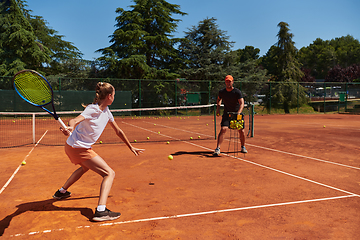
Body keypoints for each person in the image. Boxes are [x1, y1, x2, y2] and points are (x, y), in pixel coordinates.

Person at [52, 82, 144, 222]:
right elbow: (74, 120)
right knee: (109, 173)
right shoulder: (92, 109)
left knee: (84, 168)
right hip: (79, 148)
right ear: (109, 96)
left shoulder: (106, 111)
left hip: (72, 147)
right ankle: (101, 211)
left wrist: (130, 146)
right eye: (114, 95)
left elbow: (118, 131)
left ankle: (61, 192)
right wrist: (70, 127)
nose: (114, 97)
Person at [213, 75, 247, 156]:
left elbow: (242, 103)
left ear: (232, 82)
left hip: (237, 113)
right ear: (225, 82)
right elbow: (218, 99)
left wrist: (239, 112)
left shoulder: (237, 92)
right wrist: (218, 108)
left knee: (241, 130)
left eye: (230, 81)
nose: (228, 83)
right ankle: (217, 148)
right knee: (223, 129)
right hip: (227, 114)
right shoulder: (222, 92)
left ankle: (243, 146)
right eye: (227, 81)